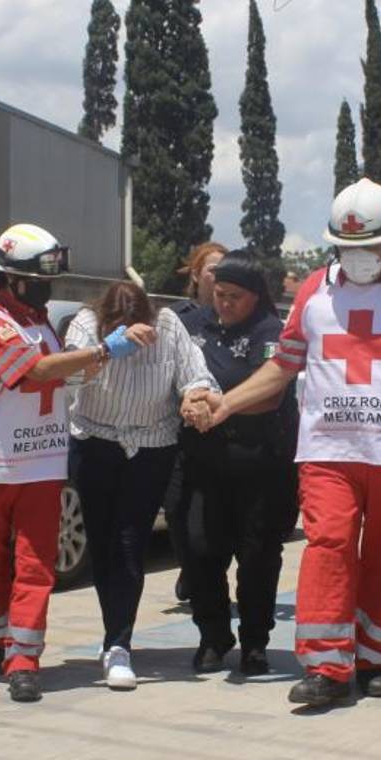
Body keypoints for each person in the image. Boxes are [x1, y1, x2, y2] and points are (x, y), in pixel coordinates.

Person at [196, 178, 381, 706]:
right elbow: (283, 365)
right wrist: (227, 403)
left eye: (367, 247)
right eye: (346, 248)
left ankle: (377, 658)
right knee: (328, 548)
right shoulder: (315, 290)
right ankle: (326, 666)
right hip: (329, 452)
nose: (356, 258)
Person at [0, 223, 142, 703]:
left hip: (43, 461)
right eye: (39, 279)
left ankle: (23, 660)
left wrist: (96, 360)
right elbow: (30, 373)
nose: (47, 288)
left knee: (37, 563)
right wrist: (98, 351)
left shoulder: (43, 326)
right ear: (12, 280)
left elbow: (62, 376)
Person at [64, 281, 217, 690]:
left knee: (130, 542)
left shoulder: (168, 325)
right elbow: (69, 375)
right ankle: (113, 629)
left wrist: (194, 398)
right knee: (101, 544)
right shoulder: (85, 323)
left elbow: (195, 375)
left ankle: (119, 644)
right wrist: (112, 345)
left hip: (151, 446)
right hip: (95, 442)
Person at [179, 250, 299, 677]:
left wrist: (217, 405)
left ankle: (254, 642)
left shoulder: (271, 331)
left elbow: (270, 394)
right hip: (204, 464)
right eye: (219, 294)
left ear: (255, 297)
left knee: (258, 558)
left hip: (260, 465)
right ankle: (213, 636)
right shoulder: (192, 326)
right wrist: (187, 397)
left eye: (234, 296)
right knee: (200, 551)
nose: (224, 303)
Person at [165, 241, 227, 601]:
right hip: (179, 431)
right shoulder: (177, 319)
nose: (218, 276)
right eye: (212, 269)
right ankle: (190, 569)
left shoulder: (235, 315)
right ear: (195, 274)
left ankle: (206, 577)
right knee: (176, 509)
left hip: (222, 429)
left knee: (214, 517)